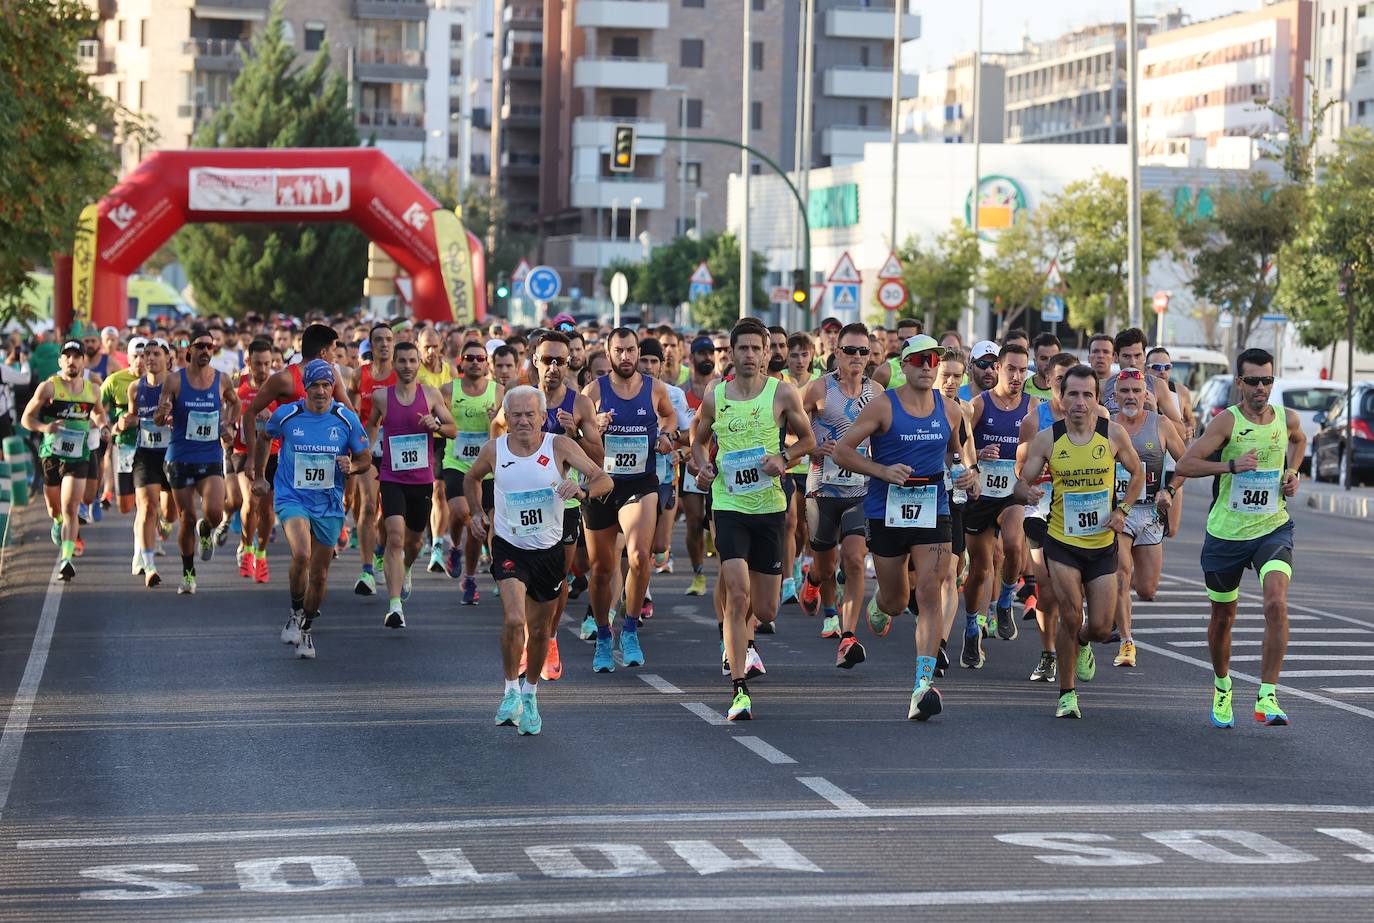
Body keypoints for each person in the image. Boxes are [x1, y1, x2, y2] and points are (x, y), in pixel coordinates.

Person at [835, 335, 979, 719]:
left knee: (931, 591)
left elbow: (957, 455)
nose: (928, 366)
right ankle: (880, 603)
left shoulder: (950, 410)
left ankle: (922, 685)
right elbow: (843, 451)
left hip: (934, 506)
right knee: (897, 600)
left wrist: (968, 474)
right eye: (919, 360)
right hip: (886, 510)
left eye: (933, 360)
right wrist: (882, 470)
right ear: (904, 365)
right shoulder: (883, 405)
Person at [467, 386, 614, 734]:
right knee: (514, 619)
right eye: (516, 415)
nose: (523, 421)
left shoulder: (558, 445)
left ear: (542, 416)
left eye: (529, 414)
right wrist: (476, 512)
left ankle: (530, 695)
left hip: (548, 551)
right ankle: (509, 691)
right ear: (506, 417)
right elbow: (471, 477)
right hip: (509, 547)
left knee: (538, 632)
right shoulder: (494, 449)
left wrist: (581, 490)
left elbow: (604, 479)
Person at [691, 320, 815, 720]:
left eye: (755, 349)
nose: (748, 355)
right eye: (741, 348)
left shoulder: (782, 393)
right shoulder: (716, 395)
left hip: (769, 507)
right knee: (737, 592)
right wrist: (702, 466)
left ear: (766, 354)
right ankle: (738, 687)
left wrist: (785, 457)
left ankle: (744, 640)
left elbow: (809, 440)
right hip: (728, 504)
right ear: (731, 353)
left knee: (766, 609)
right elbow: (698, 440)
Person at [1176, 349, 1305, 727]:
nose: (1260, 387)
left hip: (1272, 527)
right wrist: (1230, 465)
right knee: (1223, 618)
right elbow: (1185, 463)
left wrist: (1293, 473)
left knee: (1276, 604)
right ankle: (1222, 685)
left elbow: (1299, 441)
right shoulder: (1226, 422)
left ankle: (1267, 695)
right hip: (1227, 534)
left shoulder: (1286, 418)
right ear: (1239, 383)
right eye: (1253, 381)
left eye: (1267, 380)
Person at [1014, 365, 1142, 719]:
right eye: (1073, 394)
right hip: (1062, 541)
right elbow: (1021, 483)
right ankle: (1067, 693)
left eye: (1087, 395)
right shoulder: (1047, 439)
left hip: (1101, 544)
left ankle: (1084, 641)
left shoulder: (1113, 434)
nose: (1080, 402)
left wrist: (1123, 509)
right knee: (1070, 615)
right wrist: (1027, 492)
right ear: (1061, 396)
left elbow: (1138, 473)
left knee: (1100, 627)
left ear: (1097, 399)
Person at [258, 360, 372, 659]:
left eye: (326, 385)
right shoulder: (288, 414)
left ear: (332, 387)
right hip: (292, 497)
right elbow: (264, 436)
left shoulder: (345, 419)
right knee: (301, 554)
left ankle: (306, 627)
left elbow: (365, 458)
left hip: (329, 504)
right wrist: (258, 475)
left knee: (319, 575)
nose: (321, 391)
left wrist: (353, 466)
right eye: (315, 386)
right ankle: (295, 611)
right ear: (305, 388)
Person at [581, 328, 678, 673]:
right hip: (601, 485)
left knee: (638, 557)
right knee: (601, 569)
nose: (626, 357)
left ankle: (631, 630)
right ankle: (603, 635)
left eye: (631, 350)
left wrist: (666, 434)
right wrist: (593, 426)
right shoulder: (593, 391)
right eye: (619, 351)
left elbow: (670, 416)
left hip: (640, 482)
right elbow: (576, 436)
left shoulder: (655, 388)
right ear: (608, 354)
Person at [799, 323, 877, 663]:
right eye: (850, 350)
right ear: (837, 353)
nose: (857, 356)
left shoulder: (877, 393)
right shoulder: (818, 388)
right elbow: (787, 432)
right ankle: (813, 579)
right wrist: (811, 446)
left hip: (861, 490)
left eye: (863, 351)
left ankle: (848, 636)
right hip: (822, 490)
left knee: (855, 560)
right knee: (827, 566)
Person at [528, 330, 604, 678]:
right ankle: (531, 638)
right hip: (526, 503)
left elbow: (598, 457)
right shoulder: (522, 400)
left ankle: (550, 637)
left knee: (557, 578)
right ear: (535, 361)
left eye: (561, 360)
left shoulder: (580, 404)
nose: (554, 367)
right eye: (547, 360)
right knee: (527, 578)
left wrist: (575, 434)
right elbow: (497, 440)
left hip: (565, 505)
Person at [368, 341, 457, 628]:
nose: (407, 366)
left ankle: (406, 568)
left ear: (418, 364)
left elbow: (453, 429)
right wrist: (366, 451)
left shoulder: (430, 394)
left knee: (415, 541)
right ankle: (395, 606)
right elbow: (371, 426)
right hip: (391, 477)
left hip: (421, 480)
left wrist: (437, 426)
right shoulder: (381, 397)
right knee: (395, 537)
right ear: (394, 364)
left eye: (411, 360)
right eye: (402, 361)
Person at [1109, 368, 1189, 668]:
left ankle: (1113, 597)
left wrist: (1170, 490)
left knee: (1146, 588)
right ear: (1115, 396)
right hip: (1118, 512)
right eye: (1125, 391)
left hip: (1150, 514)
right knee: (1122, 571)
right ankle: (1126, 640)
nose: (1130, 396)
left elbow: (1186, 463)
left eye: (1136, 391)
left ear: (1146, 395)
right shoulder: (1106, 425)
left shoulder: (1161, 424)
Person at [961, 342, 1036, 662]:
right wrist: (978, 455)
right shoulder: (979, 404)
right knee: (979, 570)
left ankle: (1005, 601)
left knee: (1014, 545)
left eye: (1022, 370)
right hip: (980, 495)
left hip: (1012, 492)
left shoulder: (1033, 407)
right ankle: (971, 628)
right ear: (998, 369)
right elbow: (959, 447)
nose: (1017, 376)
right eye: (1011, 369)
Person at [155, 325, 241, 594]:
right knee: (187, 518)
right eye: (200, 346)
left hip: (210, 454)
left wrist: (229, 424)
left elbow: (235, 403)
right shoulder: (175, 380)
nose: (205, 350)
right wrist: (163, 412)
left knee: (214, 512)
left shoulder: (222, 379)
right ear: (189, 350)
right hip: (180, 456)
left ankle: (207, 530)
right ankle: (188, 573)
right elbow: (158, 418)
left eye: (209, 346)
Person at [1014, 351, 1081, 683]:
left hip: (1078, 511)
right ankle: (1049, 653)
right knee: (1048, 588)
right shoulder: (1034, 420)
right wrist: (1027, 487)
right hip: (1040, 510)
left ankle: (1080, 640)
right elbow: (1020, 467)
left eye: (1073, 382)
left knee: (1076, 587)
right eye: (1060, 381)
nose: (1066, 389)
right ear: (1049, 381)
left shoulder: (1097, 418)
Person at [21, 341, 108, 580]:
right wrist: (44, 427)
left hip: (78, 455)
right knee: (54, 508)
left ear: (83, 361)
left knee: (71, 507)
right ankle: (57, 521)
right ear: (60, 361)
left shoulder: (93, 390)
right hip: (52, 454)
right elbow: (26, 419)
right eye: (67, 356)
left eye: (76, 356)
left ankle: (66, 559)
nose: (72, 361)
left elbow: (99, 413)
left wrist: (103, 427)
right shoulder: (49, 387)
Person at [442, 340, 503, 605]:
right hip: (457, 462)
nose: (475, 362)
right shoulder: (448, 390)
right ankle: (455, 546)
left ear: (487, 363)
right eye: (470, 358)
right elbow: (441, 422)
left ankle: (469, 577)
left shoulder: (498, 391)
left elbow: (506, 427)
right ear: (461, 362)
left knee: (480, 524)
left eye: (480, 358)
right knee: (460, 512)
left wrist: (496, 420)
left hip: (487, 466)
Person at [118, 338, 173, 586]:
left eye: (155, 354)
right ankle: (149, 565)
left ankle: (164, 523)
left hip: (171, 455)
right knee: (147, 507)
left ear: (167, 358)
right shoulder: (135, 388)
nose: (149, 358)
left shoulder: (177, 385)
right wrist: (124, 422)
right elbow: (132, 416)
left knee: (170, 514)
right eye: (146, 353)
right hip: (146, 454)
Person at [348, 323, 398, 595]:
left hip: (396, 449)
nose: (384, 344)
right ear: (371, 344)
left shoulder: (401, 373)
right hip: (368, 447)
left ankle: (379, 551)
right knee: (368, 505)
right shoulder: (360, 375)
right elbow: (349, 409)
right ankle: (366, 570)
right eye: (379, 339)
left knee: (390, 512)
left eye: (388, 339)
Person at [230, 339, 277, 583]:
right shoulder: (238, 386)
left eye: (267, 363)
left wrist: (273, 416)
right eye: (258, 364)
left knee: (267, 510)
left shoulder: (278, 387)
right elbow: (227, 414)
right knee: (249, 502)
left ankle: (261, 552)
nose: (263, 369)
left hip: (273, 454)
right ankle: (247, 548)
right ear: (248, 362)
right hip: (243, 452)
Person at [417, 326, 455, 573]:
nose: (431, 351)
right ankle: (423, 535)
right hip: (417, 438)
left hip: (442, 437)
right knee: (422, 494)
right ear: (418, 346)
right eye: (426, 347)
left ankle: (437, 547)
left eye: (435, 346)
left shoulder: (449, 370)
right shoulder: (414, 370)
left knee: (439, 491)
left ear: (441, 345)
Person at [1023, 333, 1062, 400]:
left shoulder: (1066, 388)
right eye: (1044, 358)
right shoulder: (1023, 387)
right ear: (1035, 362)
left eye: (1053, 358)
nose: (1049, 363)